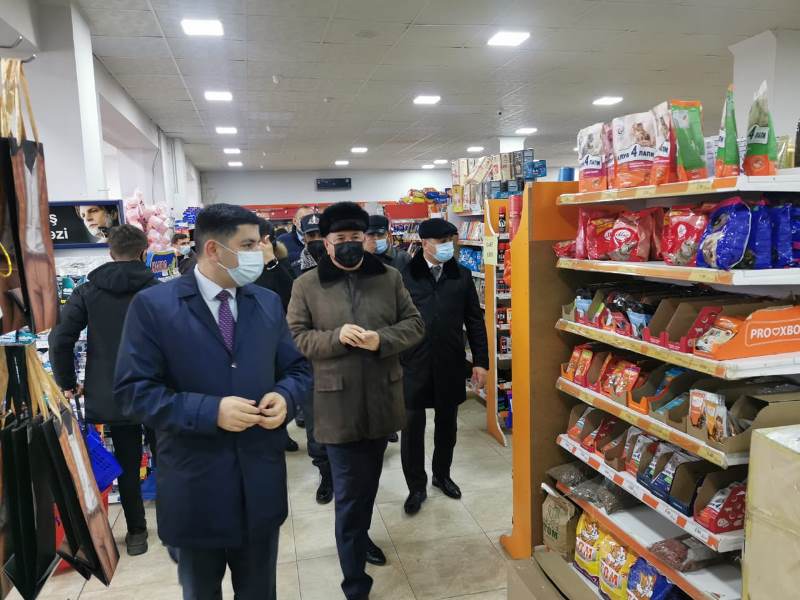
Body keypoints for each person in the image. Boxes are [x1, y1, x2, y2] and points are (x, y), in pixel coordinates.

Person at [114, 203, 312, 600]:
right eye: (249, 245)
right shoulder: (155, 306)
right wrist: (210, 411)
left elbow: (298, 369)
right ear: (213, 250)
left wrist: (285, 397)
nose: (260, 252)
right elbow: (133, 392)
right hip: (195, 489)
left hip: (259, 486)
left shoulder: (266, 302)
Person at [287, 201, 424, 600]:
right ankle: (355, 584)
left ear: (366, 239)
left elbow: (415, 324)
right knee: (349, 494)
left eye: (355, 237)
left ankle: (360, 538)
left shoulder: (389, 277)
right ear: (326, 243)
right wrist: (336, 338)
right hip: (336, 405)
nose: (349, 244)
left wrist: (382, 339)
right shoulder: (306, 285)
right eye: (340, 238)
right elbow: (297, 337)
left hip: (382, 399)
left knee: (367, 485)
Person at [49, 224, 159, 556]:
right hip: (157, 390)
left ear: (110, 253)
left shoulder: (88, 291)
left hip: (113, 391)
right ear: (143, 252)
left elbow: (60, 339)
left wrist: (68, 382)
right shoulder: (158, 290)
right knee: (169, 458)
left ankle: (136, 532)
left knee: (127, 462)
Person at [400, 218, 489, 515]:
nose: (448, 246)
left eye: (451, 240)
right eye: (441, 241)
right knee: (412, 429)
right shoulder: (403, 276)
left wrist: (481, 362)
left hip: (450, 362)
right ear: (424, 243)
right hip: (412, 363)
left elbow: (474, 321)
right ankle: (416, 487)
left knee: (447, 426)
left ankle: (442, 475)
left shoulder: (461, 275)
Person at [252, 218, 301, 453]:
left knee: (278, 385)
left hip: (278, 331)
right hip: (252, 332)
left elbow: (291, 293)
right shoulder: (241, 266)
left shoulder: (280, 260)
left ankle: (281, 429)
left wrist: (271, 262)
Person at [363, 214, 412, 444]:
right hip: (367, 330)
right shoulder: (357, 260)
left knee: (394, 382)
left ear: (388, 234)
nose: (375, 239)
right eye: (370, 235)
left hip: (396, 330)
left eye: (379, 234)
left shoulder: (402, 259)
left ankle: (390, 423)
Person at [291, 213, 326, 277]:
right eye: (311, 235)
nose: (316, 239)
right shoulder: (295, 269)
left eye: (321, 235)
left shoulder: (339, 264)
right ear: (304, 238)